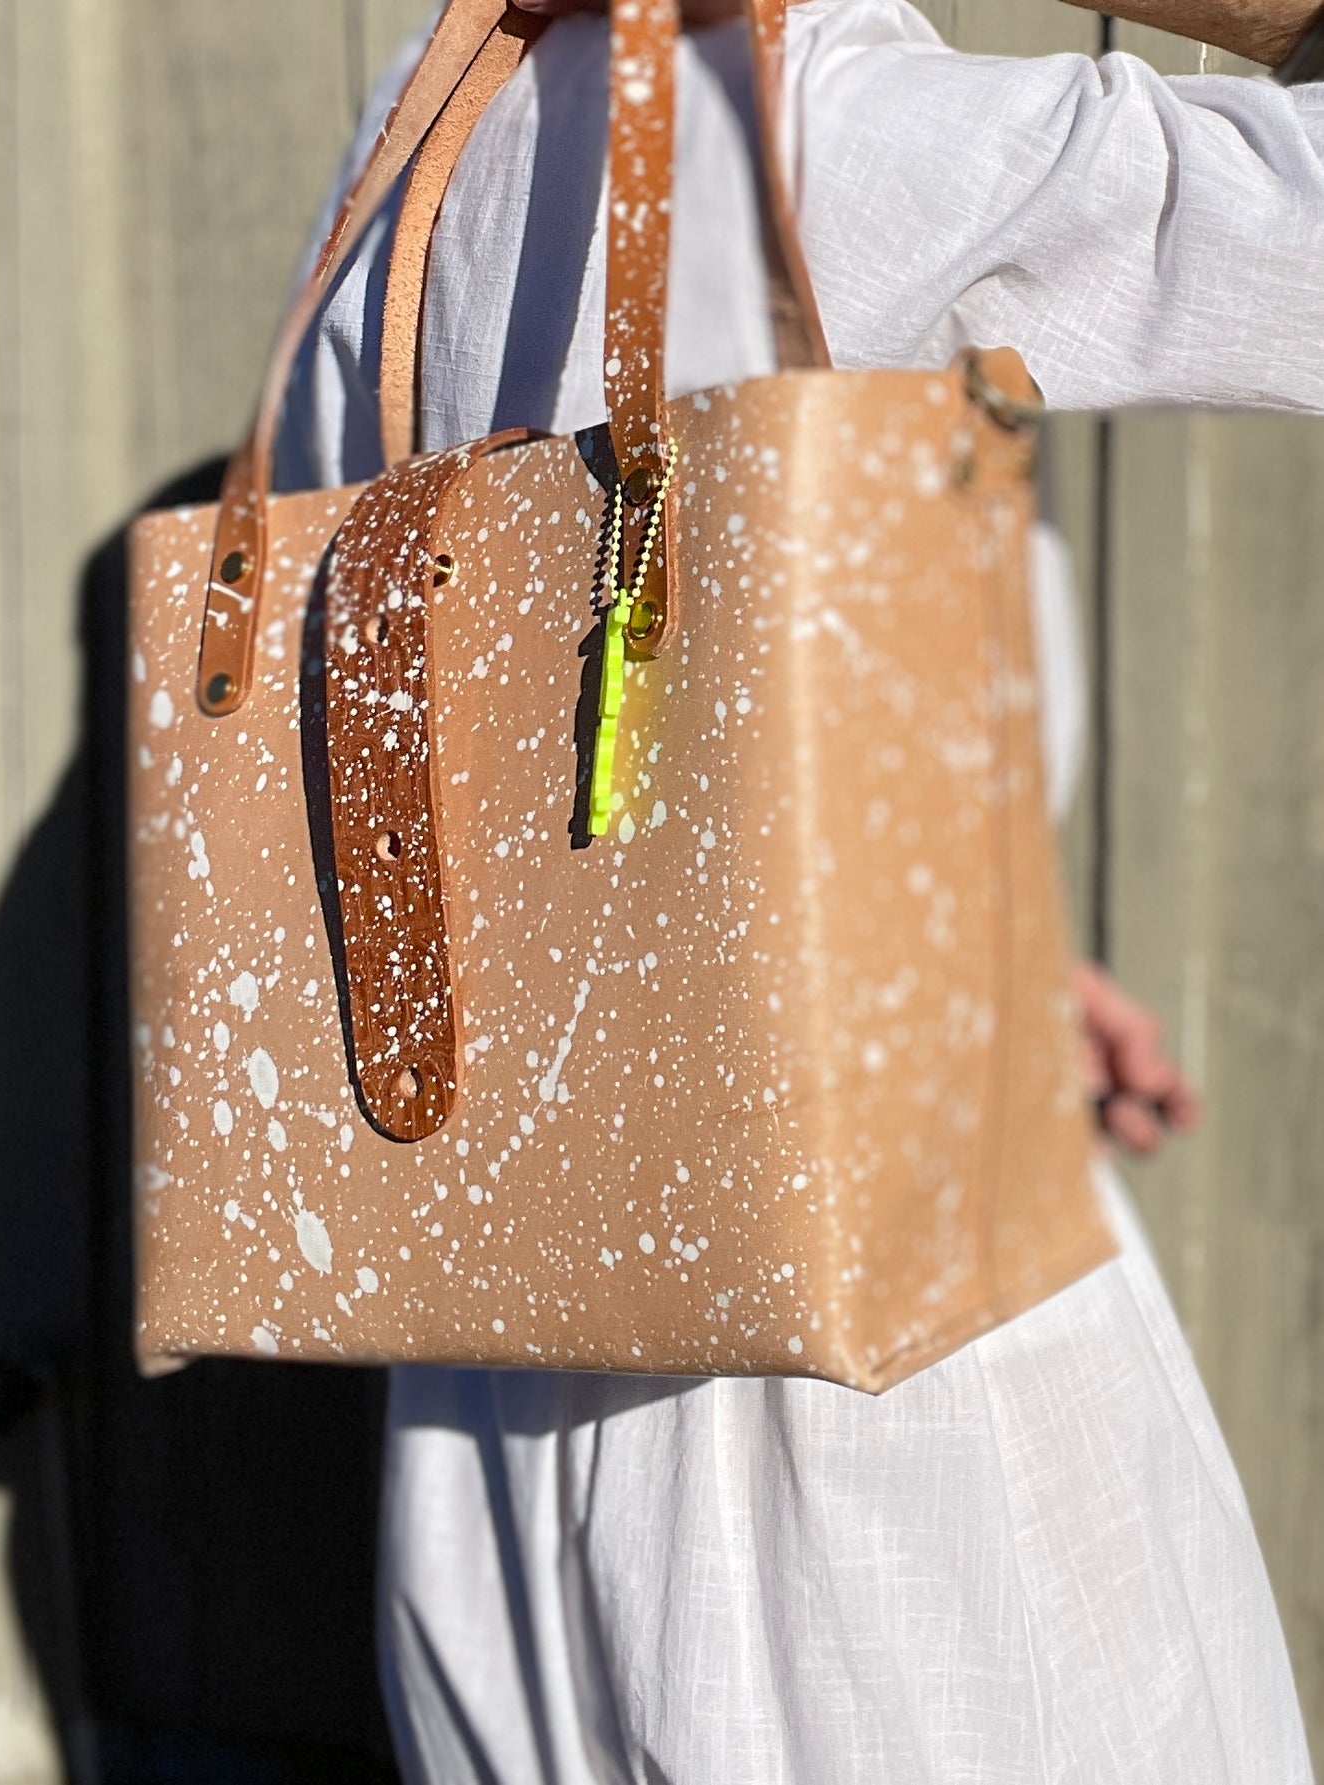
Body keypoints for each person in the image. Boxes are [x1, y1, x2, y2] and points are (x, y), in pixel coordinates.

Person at [274, 1, 1324, 1776]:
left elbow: (485, 732)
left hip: (485, 1361)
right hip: (871, 1389)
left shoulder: (434, 114)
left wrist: (915, 894)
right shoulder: (823, 117)